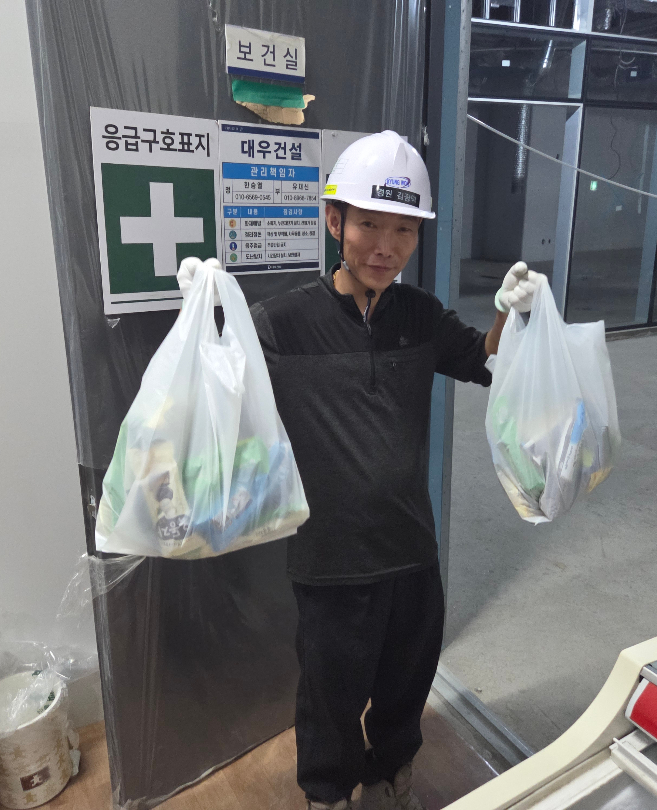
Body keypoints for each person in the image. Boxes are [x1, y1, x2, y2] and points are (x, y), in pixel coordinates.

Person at [178, 131, 544, 810]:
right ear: (334, 221)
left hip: (411, 549)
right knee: (330, 695)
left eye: (404, 229)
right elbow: (219, 392)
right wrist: (203, 316)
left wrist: (512, 317)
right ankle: (327, 794)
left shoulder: (421, 316)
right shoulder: (282, 323)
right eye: (369, 224)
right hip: (329, 559)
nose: (385, 246)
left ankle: (393, 773)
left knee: (407, 683)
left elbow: (485, 363)